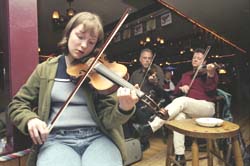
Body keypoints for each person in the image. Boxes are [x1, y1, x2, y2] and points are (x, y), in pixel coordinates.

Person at [8, 12, 138, 166]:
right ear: (68, 33)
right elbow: (16, 105)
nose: (84, 45)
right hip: (57, 140)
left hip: (98, 137)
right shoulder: (45, 69)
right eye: (80, 36)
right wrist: (30, 119)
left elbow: (108, 121)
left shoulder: (98, 73)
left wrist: (123, 108)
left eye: (91, 42)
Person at [135, 48, 218, 165]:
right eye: (194, 57)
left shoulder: (207, 74)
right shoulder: (186, 75)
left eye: (199, 58)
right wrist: (180, 89)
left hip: (206, 107)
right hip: (189, 110)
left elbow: (211, 90)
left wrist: (210, 74)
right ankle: (180, 156)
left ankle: (150, 127)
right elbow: (174, 93)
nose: (196, 60)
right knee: (179, 117)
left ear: (204, 62)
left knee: (182, 100)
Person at [123, 48, 165, 151]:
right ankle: (129, 140)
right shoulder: (135, 74)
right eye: (144, 58)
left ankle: (144, 141)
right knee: (124, 110)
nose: (147, 60)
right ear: (140, 60)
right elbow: (130, 89)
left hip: (152, 104)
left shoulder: (157, 70)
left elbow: (162, 92)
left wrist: (155, 83)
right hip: (137, 101)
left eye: (149, 58)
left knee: (141, 111)